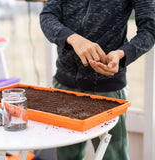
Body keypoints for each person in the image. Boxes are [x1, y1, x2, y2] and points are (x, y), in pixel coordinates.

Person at [40, 0, 155, 160]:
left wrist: (122, 54)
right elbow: (48, 16)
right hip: (64, 86)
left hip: (107, 90)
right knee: (67, 155)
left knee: (113, 156)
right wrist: (73, 38)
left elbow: (150, 29)